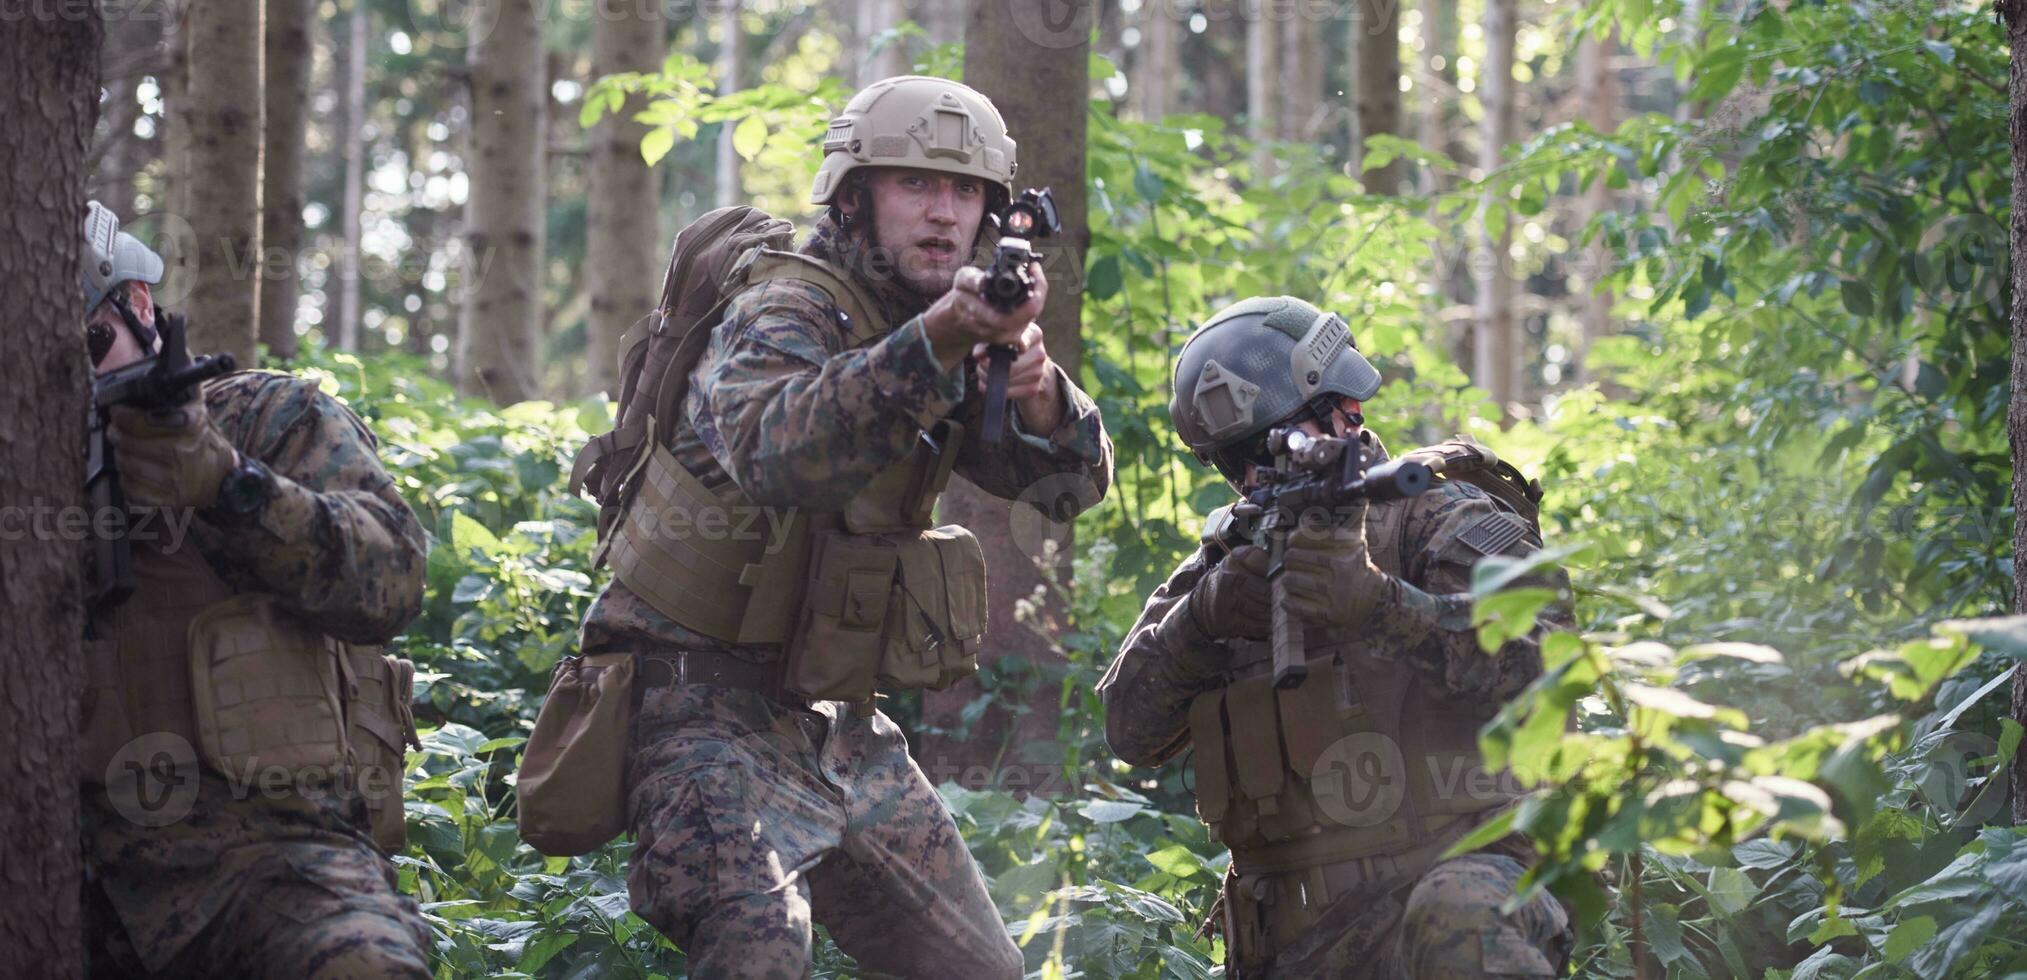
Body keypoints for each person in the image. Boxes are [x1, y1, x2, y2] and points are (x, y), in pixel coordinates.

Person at [577, 75, 1114, 978]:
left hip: (840, 727)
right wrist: (936, 342)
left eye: (965, 191)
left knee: (980, 972)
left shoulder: (936, 319)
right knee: (760, 950)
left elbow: (1065, 492)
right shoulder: (782, 308)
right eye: (915, 185)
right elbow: (780, 455)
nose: (944, 214)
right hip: (697, 707)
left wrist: (1038, 390)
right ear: (854, 195)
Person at [1097, 295, 1573, 978]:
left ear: (1347, 412)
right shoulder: (1227, 564)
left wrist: (1381, 607)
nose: (1254, 476)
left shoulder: (1441, 519)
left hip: (1465, 876)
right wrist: (1199, 624)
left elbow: (1548, 678)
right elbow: (1126, 730)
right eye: (1234, 461)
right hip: (1293, 935)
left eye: (1274, 444)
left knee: (1457, 915)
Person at [77, 201, 432, 979]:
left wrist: (231, 488)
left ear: (139, 307)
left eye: (90, 341)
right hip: (71, 879)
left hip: (272, 862)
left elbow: (395, 577)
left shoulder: (267, 416)